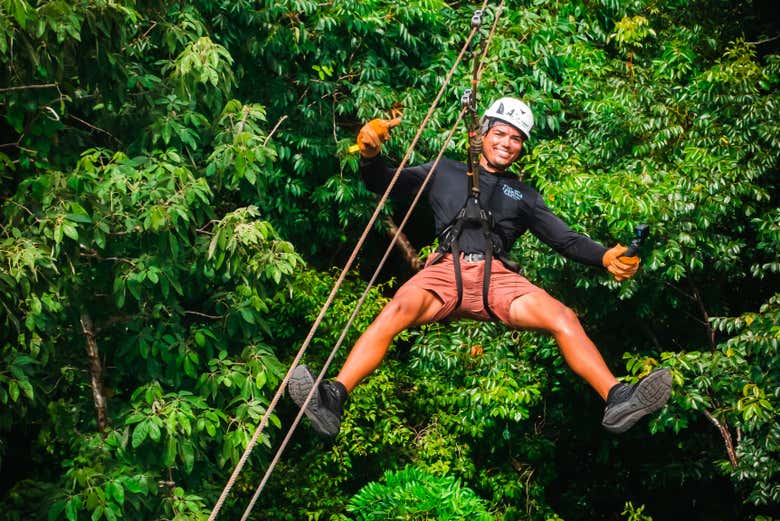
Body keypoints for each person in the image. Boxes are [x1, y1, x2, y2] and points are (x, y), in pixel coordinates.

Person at [288, 97, 671, 438]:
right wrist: (370, 155)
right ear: (483, 133)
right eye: (501, 134)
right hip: (445, 272)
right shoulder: (444, 171)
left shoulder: (523, 194)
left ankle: (618, 397)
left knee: (563, 317)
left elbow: (564, 239)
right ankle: (333, 397)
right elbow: (385, 184)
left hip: (496, 279)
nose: (507, 143)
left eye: (516, 139)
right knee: (396, 310)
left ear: (521, 147)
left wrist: (605, 256)